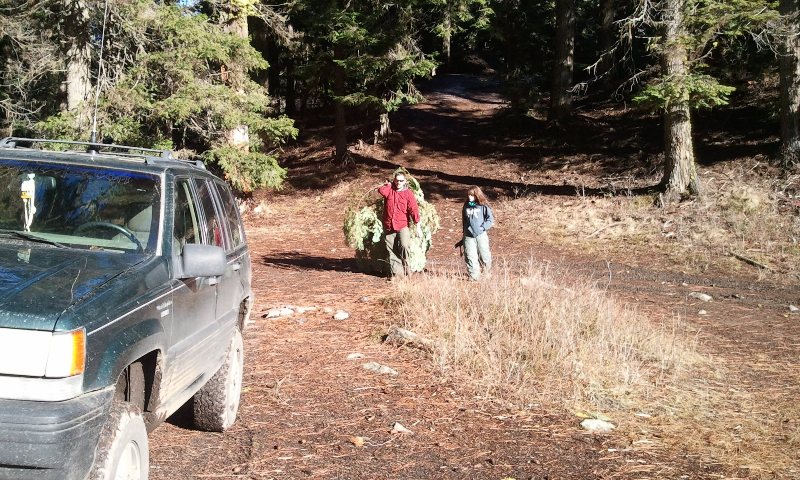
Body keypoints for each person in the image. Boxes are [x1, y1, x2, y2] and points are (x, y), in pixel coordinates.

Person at [378, 172, 420, 278]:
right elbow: (381, 190)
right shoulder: (390, 190)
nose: (399, 183)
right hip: (389, 225)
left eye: (401, 180)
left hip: (402, 225)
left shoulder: (408, 194)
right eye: (397, 180)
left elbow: (413, 209)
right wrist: (388, 184)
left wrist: (417, 223)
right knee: (391, 250)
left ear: (405, 181)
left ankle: (408, 271)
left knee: (404, 246)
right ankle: (398, 274)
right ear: (394, 180)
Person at [457, 186, 494, 281]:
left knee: (484, 255)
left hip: (481, 234)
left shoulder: (483, 205)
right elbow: (464, 221)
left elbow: (490, 219)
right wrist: (464, 235)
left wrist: (482, 227)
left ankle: (486, 273)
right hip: (468, 236)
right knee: (470, 256)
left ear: (477, 195)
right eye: (468, 195)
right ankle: (474, 277)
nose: (470, 197)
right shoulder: (466, 205)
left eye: (472, 195)